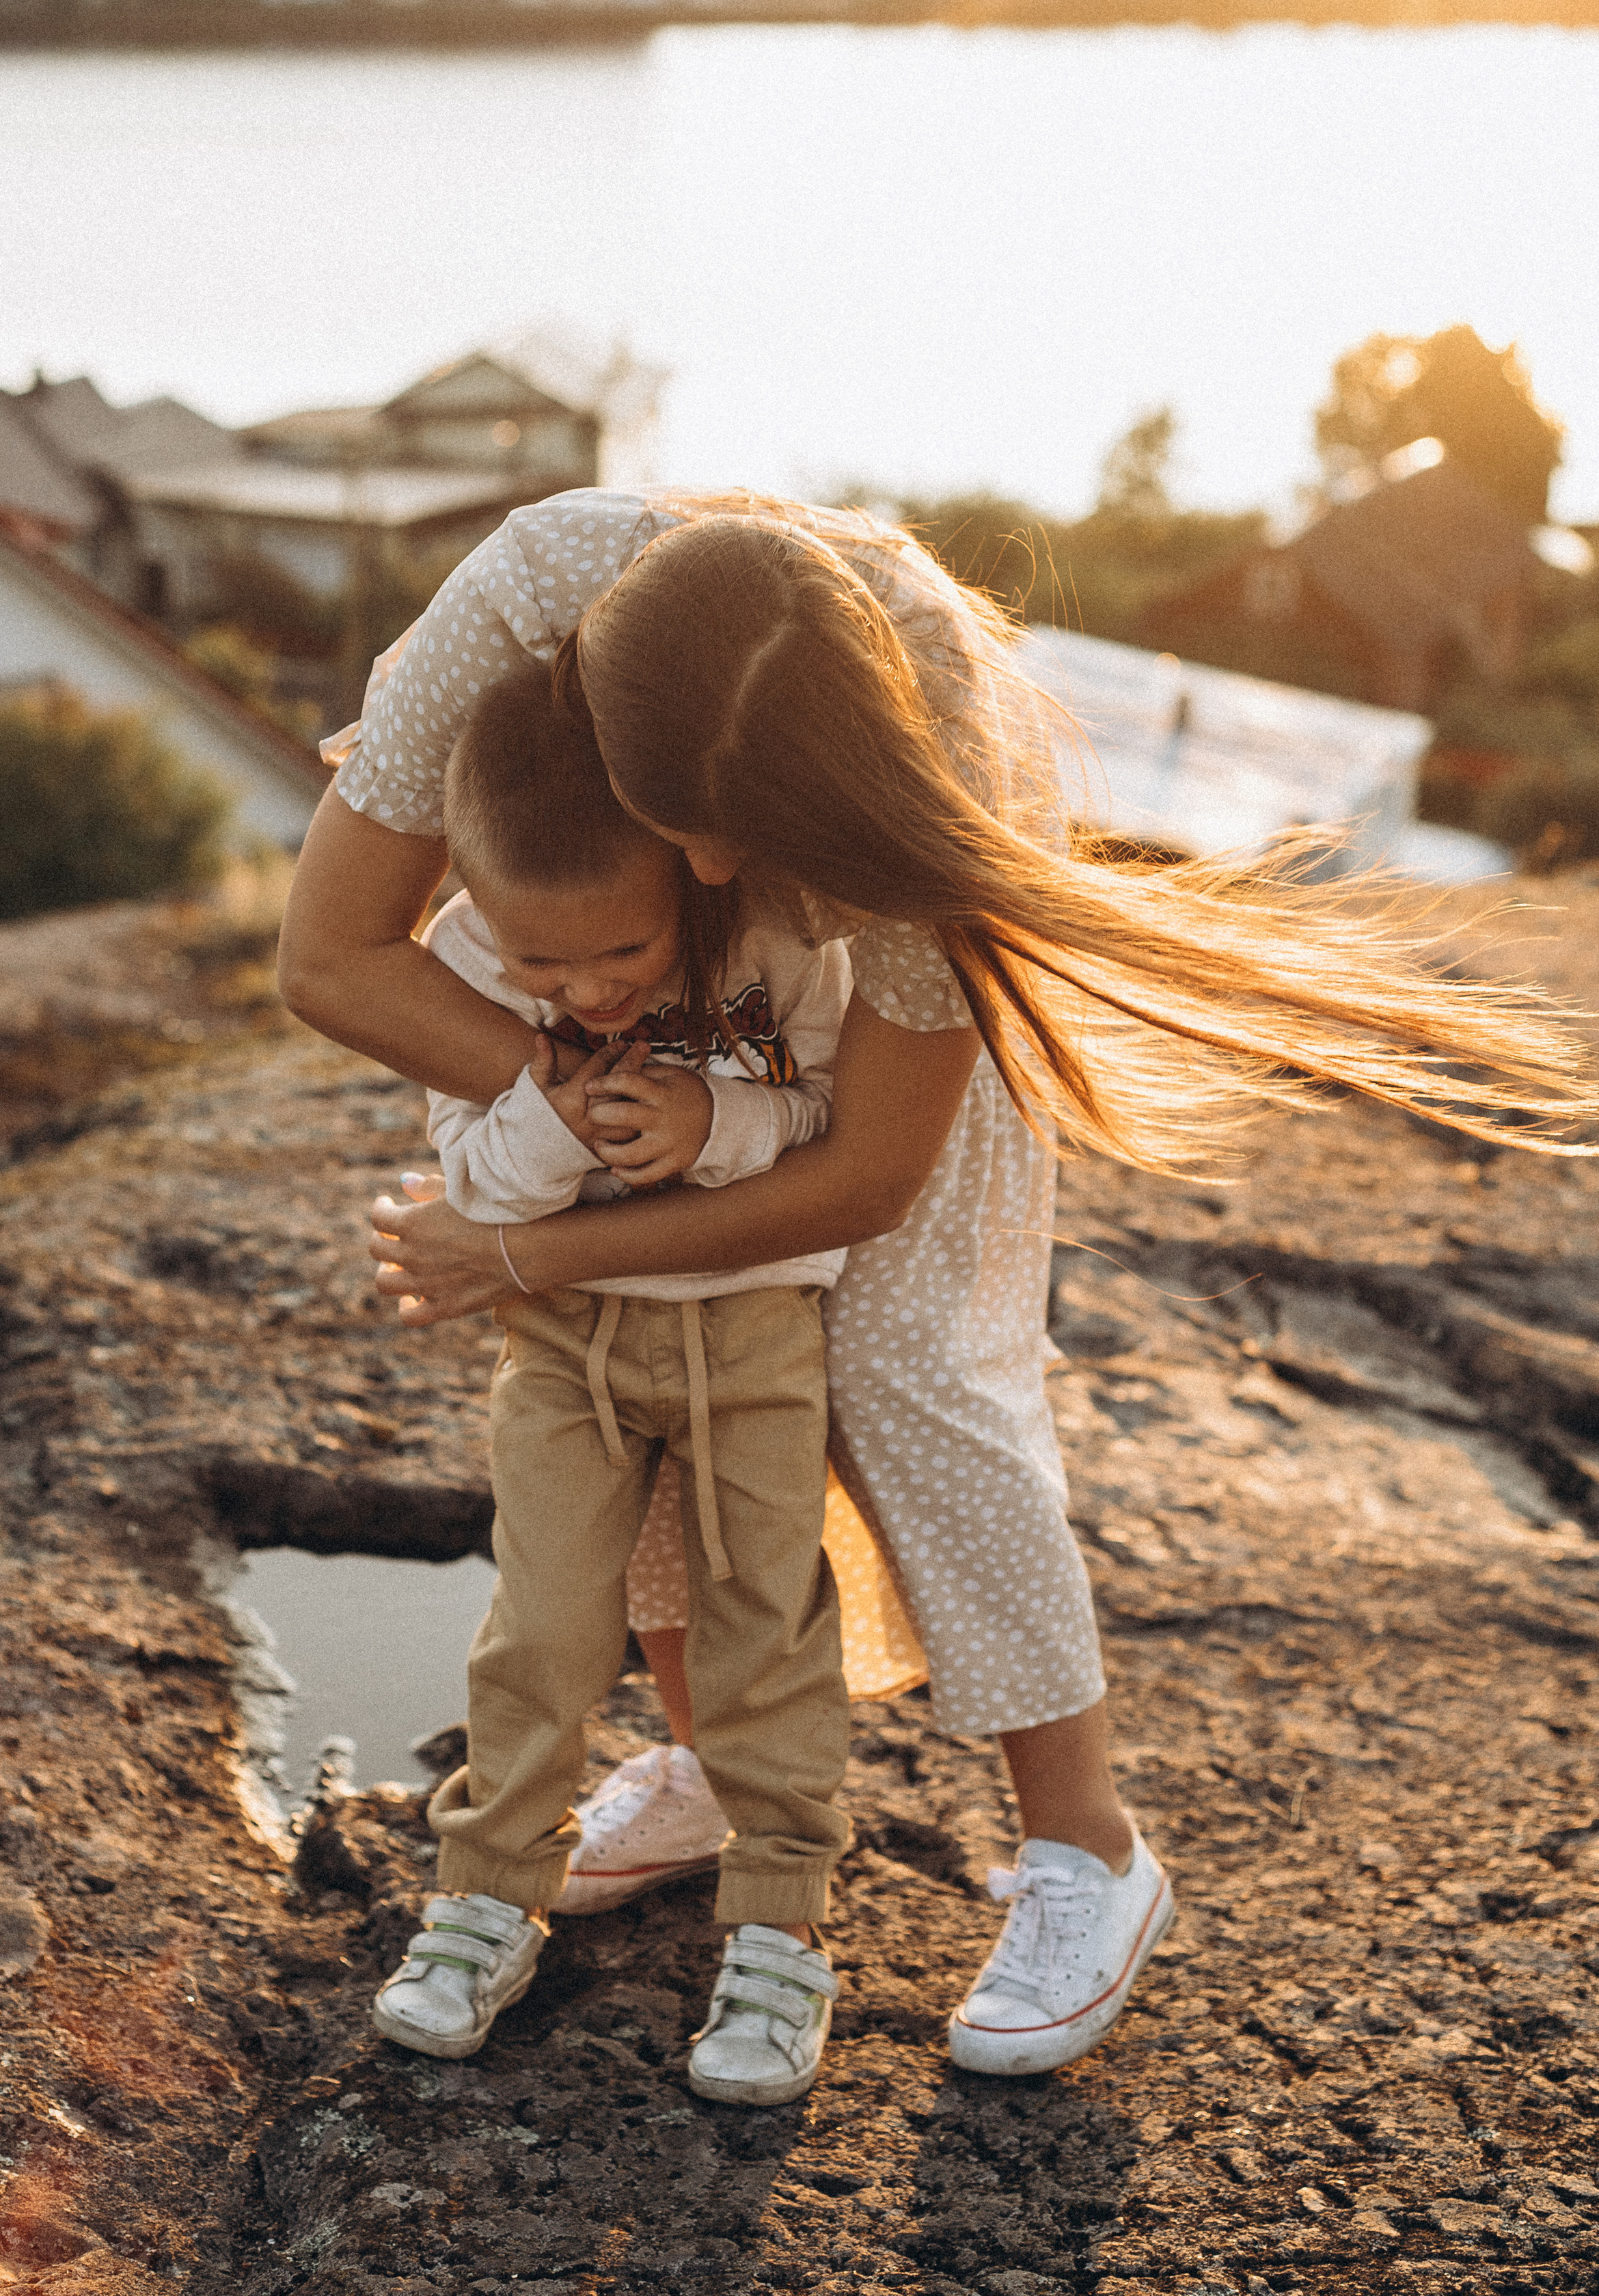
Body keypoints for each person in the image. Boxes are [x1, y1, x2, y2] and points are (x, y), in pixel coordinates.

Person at [282, 488, 1591, 2080]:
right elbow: (330, 956)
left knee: (909, 1358)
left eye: (727, 832)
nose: (705, 861)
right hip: (653, 1011)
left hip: (863, 907)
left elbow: (863, 1179)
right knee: (645, 1368)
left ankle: (1087, 1853)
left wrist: (525, 1241)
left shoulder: (918, 767)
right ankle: (704, 1770)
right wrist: (586, 1093)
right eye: (676, 817)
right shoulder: (519, 603)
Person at [370, 661, 855, 2105]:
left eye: (616, 954)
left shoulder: (780, 933)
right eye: (544, 969)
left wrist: (715, 1115)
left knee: (764, 1622)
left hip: (754, 1337)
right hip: (565, 1341)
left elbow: (834, 1114)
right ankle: (487, 1893)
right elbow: (467, 1174)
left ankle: (780, 1929)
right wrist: (548, 1112)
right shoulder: (462, 945)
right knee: (544, 1622)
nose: (582, 989)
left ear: (684, 869)